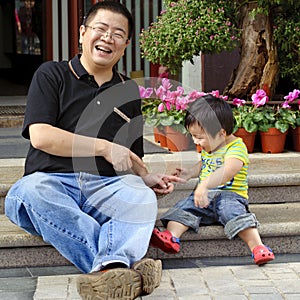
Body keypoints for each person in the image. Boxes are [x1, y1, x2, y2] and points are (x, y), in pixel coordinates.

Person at [5, 2, 182, 299]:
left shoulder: (128, 92)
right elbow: (41, 136)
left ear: (125, 45)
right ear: (82, 33)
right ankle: (116, 267)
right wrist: (102, 146)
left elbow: (130, 155)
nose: (107, 38)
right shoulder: (52, 74)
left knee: (140, 196)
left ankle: (110, 273)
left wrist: (146, 176)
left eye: (117, 34)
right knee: (33, 191)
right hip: (51, 185)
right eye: (100, 29)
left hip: (104, 187)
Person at [150, 95, 275, 266]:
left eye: (199, 137)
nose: (195, 141)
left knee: (234, 213)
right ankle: (171, 237)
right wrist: (187, 174)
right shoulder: (211, 146)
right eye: (193, 136)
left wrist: (204, 185)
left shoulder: (236, 147)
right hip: (204, 198)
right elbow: (204, 164)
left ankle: (257, 247)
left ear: (221, 133)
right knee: (183, 208)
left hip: (230, 196)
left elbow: (228, 170)